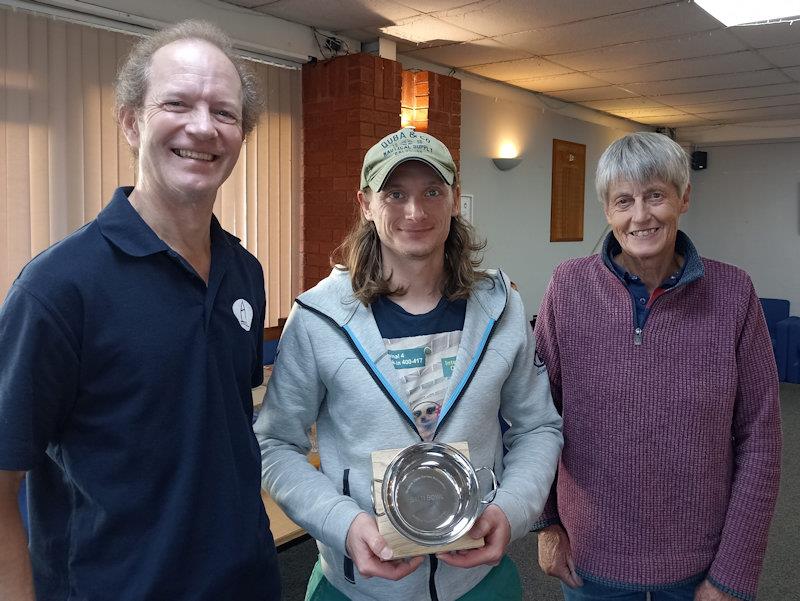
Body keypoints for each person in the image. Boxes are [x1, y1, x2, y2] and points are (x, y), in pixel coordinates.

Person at [0, 20, 281, 600]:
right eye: (176, 103)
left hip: (246, 583)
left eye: (224, 113)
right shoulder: (57, 290)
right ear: (130, 121)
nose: (202, 127)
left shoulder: (244, 273)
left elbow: (220, 432)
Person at [254, 127, 563, 600]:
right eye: (394, 193)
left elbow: (538, 426)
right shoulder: (319, 317)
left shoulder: (501, 309)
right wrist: (345, 523)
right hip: (359, 586)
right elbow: (275, 444)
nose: (415, 212)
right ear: (365, 204)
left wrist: (512, 508)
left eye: (432, 192)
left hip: (476, 582)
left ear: (456, 199)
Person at [534, 132, 782, 601]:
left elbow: (762, 437)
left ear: (683, 198)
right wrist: (546, 524)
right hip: (591, 561)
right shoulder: (567, 289)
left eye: (655, 196)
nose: (640, 215)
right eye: (623, 200)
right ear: (608, 211)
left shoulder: (733, 294)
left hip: (700, 566)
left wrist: (734, 571)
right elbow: (536, 417)